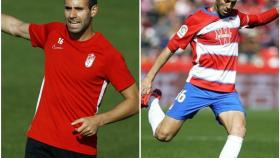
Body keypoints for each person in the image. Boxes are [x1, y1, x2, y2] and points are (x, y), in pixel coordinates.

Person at [141, 0, 278, 157]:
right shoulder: (197, 19)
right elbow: (170, 49)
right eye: (226, 1)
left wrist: (278, 10)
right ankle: (152, 100)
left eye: (233, 3)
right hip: (197, 88)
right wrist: (148, 78)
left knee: (238, 129)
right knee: (163, 135)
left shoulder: (236, 17)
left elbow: (259, 19)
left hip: (226, 93)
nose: (229, 6)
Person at [2, 0, 139, 157]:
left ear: (93, 11)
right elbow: (16, 27)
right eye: (68, 9)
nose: (72, 15)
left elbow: (134, 102)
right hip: (39, 141)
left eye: (79, 9)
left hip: (77, 148)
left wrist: (99, 120)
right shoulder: (54, 32)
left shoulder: (108, 55)